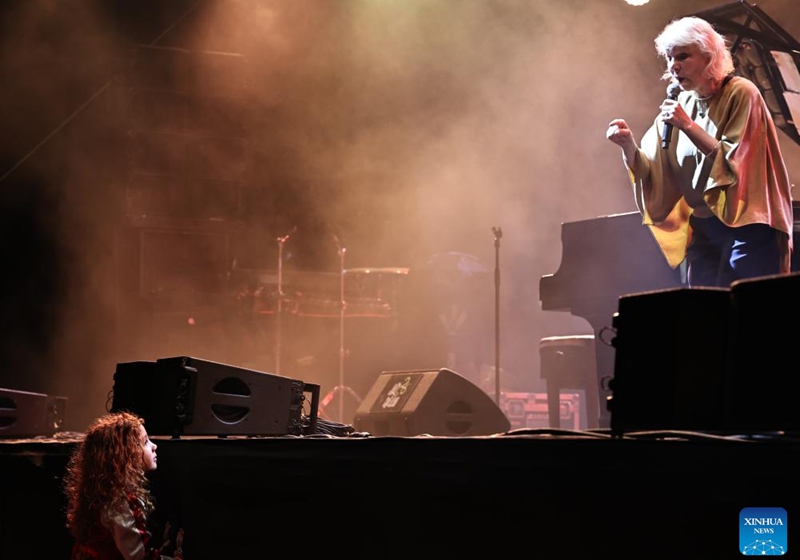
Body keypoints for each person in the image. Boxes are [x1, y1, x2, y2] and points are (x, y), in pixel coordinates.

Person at [606, 16, 793, 287]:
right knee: (704, 316)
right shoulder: (680, 101)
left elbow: (735, 163)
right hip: (705, 227)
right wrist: (627, 145)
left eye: (683, 56)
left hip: (746, 226)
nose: (674, 66)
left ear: (708, 56)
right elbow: (654, 169)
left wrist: (688, 126)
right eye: (670, 58)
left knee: (750, 313)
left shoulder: (741, 93)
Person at [64, 411, 184, 560]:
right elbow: (139, 557)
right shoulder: (121, 503)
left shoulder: (102, 495)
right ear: (126, 455)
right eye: (145, 442)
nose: (154, 446)